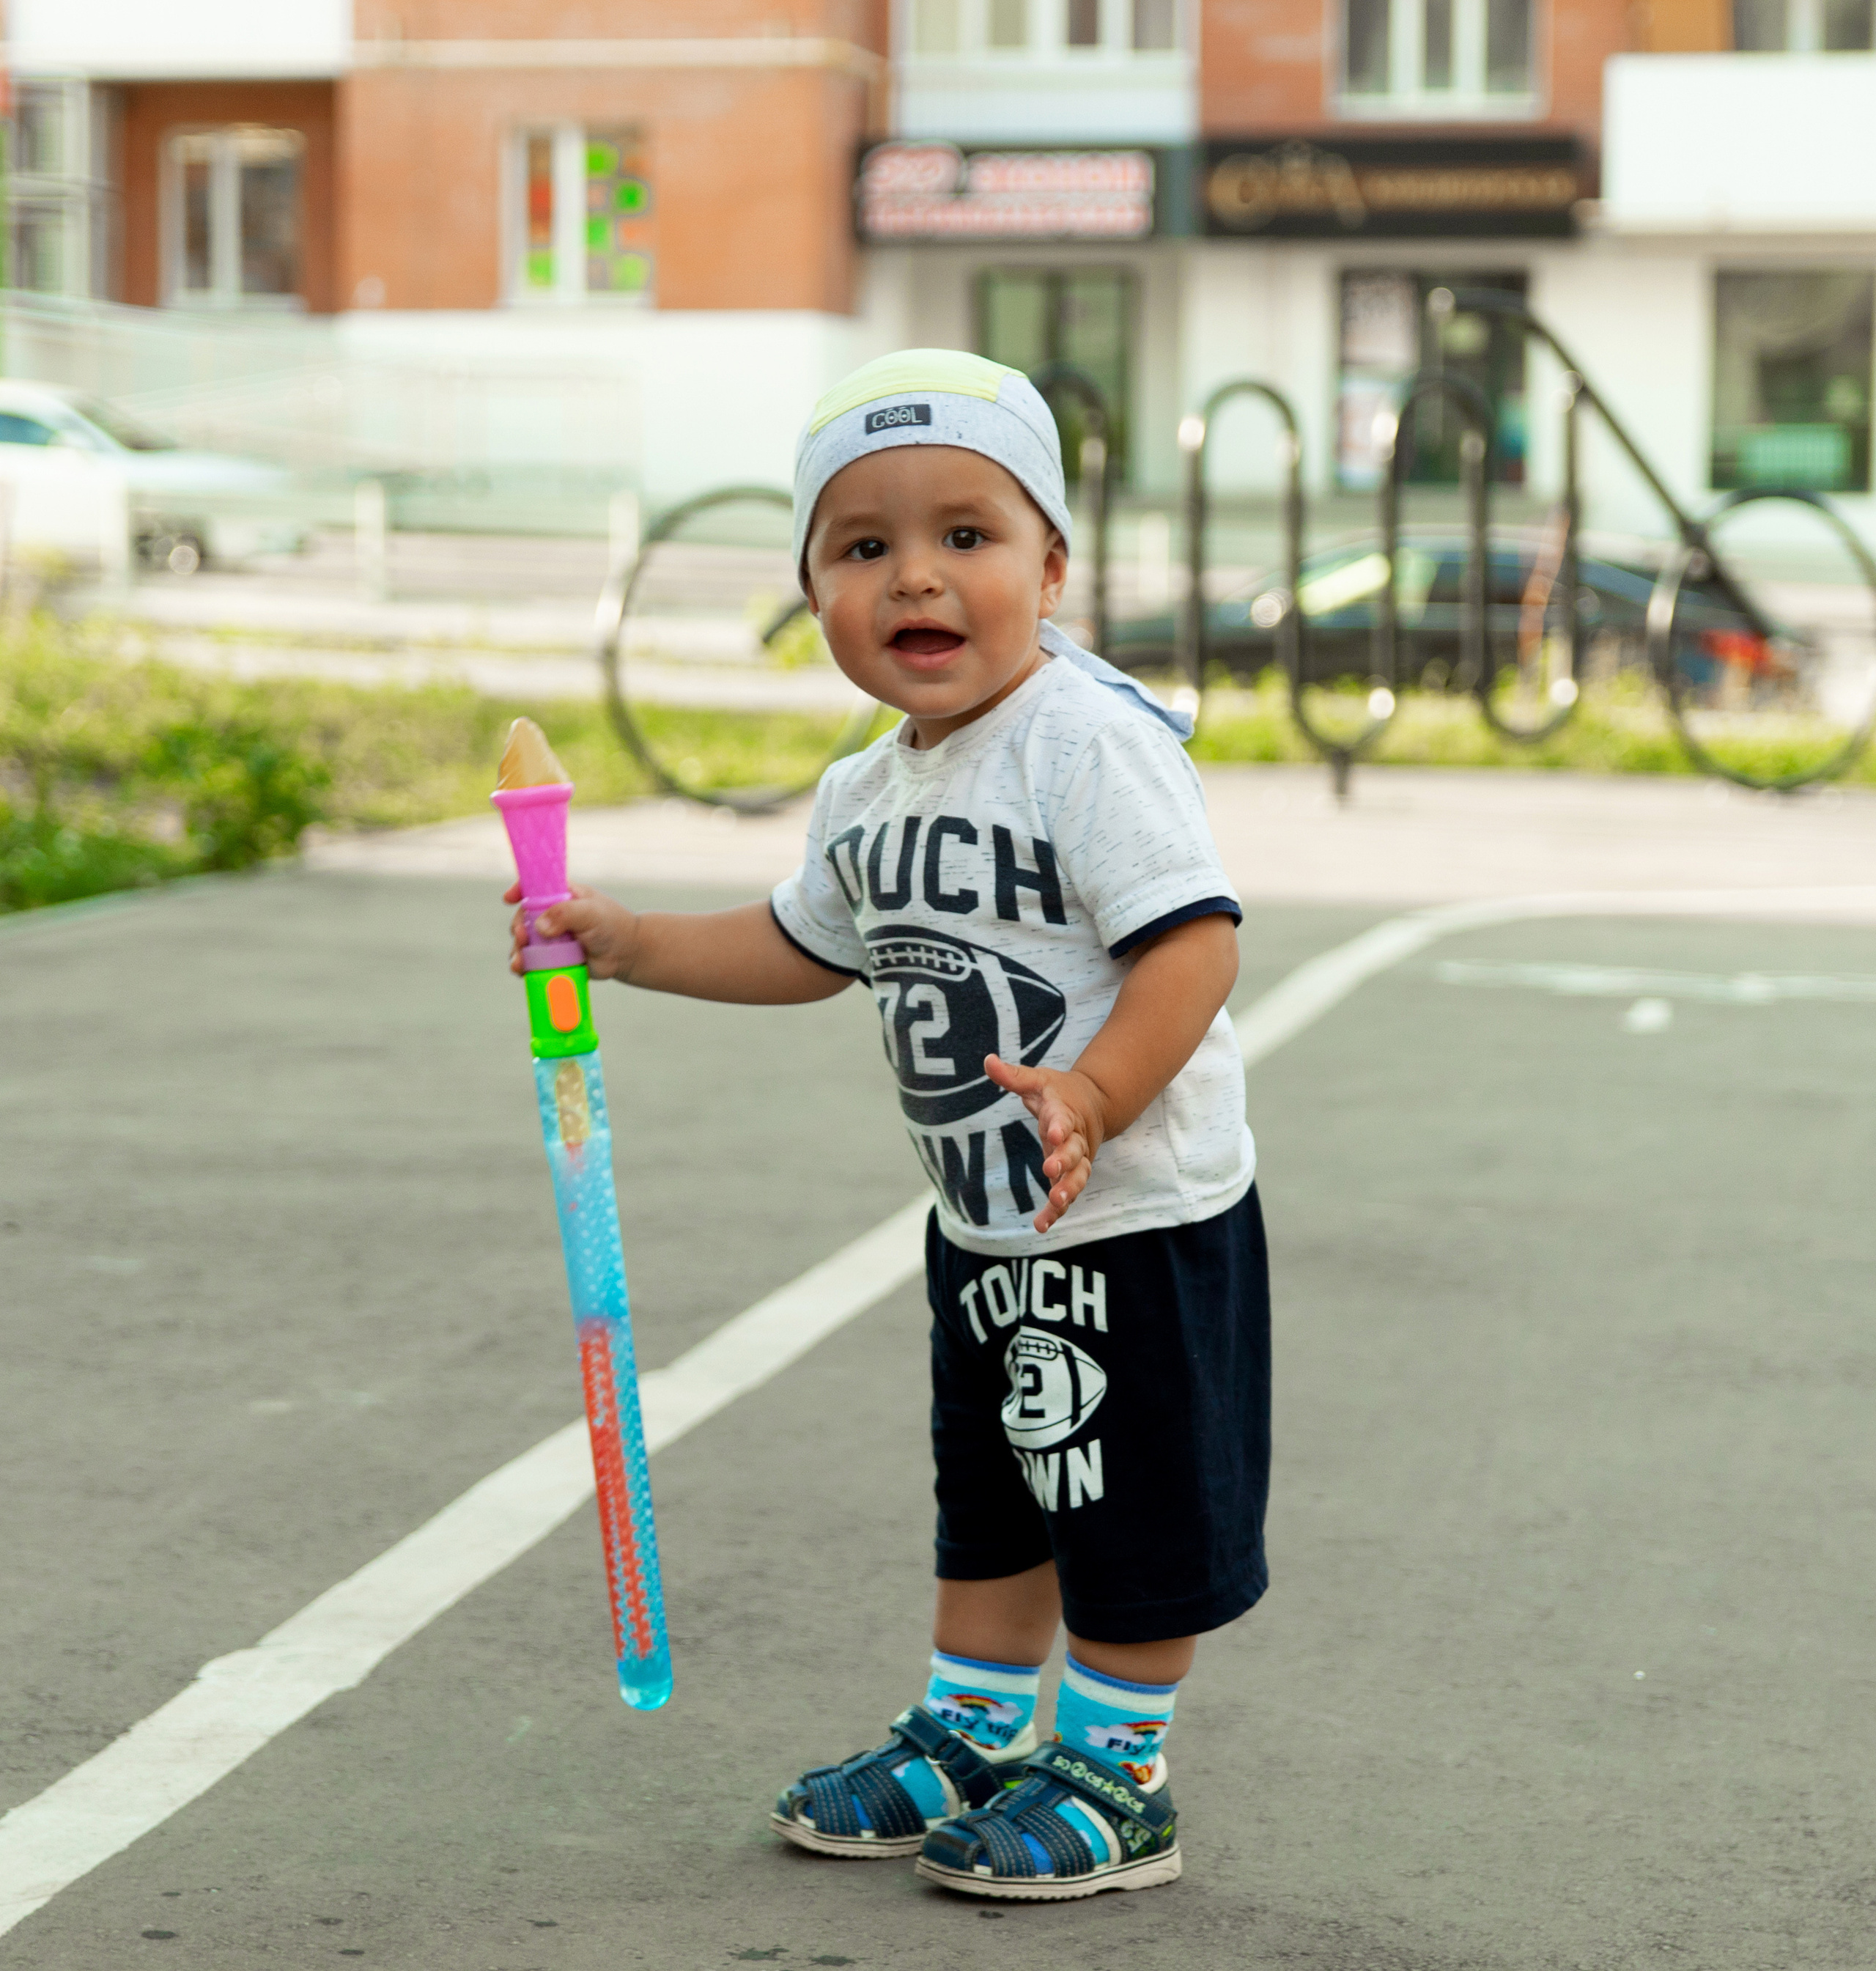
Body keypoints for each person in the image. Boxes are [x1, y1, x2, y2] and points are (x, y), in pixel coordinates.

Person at [508, 350, 1270, 1901]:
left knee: (1128, 1502)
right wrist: (630, 944)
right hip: (981, 1220)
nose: (914, 574)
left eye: (965, 535)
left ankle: (1119, 1771)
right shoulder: (865, 792)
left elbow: (1194, 945)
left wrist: (1094, 1091)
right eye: (862, 546)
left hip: (1134, 1216)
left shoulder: (1085, 740)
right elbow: (805, 944)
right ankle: (974, 1730)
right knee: (994, 1492)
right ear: (814, 595)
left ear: (1049, 567)